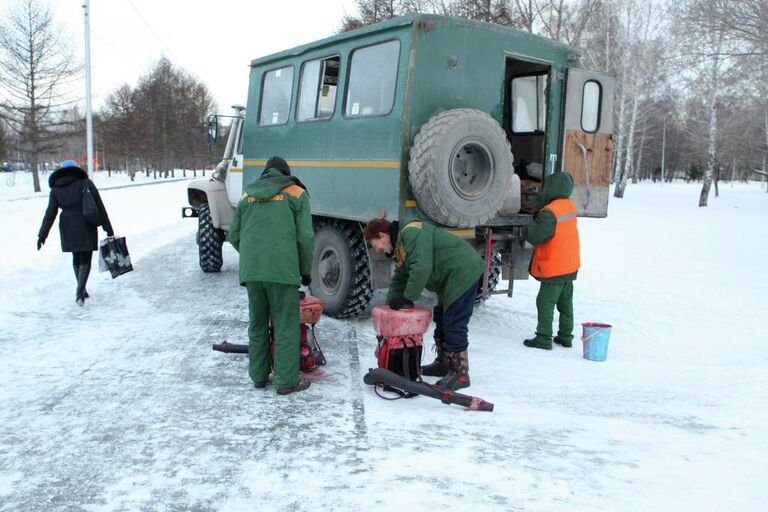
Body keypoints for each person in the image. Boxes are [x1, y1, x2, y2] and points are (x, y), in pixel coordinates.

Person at [363, 217, 485, 390]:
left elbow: (421, 267)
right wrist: (388, 309)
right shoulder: (401, 249)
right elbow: (400, 278)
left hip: (463, 271)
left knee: (454, 321)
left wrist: (408, 297)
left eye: (375, 244)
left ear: (383, 235)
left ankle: (461, 373)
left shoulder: (411, 233)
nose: (377, 249)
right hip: (451, 277)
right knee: (442, 317)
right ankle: (444, 363)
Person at [229, 156, 315, 395]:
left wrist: (252, 257)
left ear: (266, 173)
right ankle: (286, 382)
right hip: (283, 273)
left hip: (252, 273)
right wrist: (305, 270)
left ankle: (258, 377)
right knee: (285, 326)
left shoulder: (247, 195)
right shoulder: (296, 193)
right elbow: (305, 238)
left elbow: (234, 235)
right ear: (286, 173)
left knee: (257, 325)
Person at [37, 160, 114, 306]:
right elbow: (99, 206)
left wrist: (42, 235)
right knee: (85, 258)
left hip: (67, 225)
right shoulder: (85, 183)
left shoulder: (56, 189)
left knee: (76, 257)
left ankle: (82, 289)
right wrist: (108, 228)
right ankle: (80, 293)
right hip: (86, 222)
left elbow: (50, 214)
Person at [523, 172, 581, 350]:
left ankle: (543, 338)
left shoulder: (550, 212)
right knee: (565, 304)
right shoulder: (568, 205)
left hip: (555, 266)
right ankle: (565, 336)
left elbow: (535, 235)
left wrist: (528, 226)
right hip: (570, 265)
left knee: (545, 302)